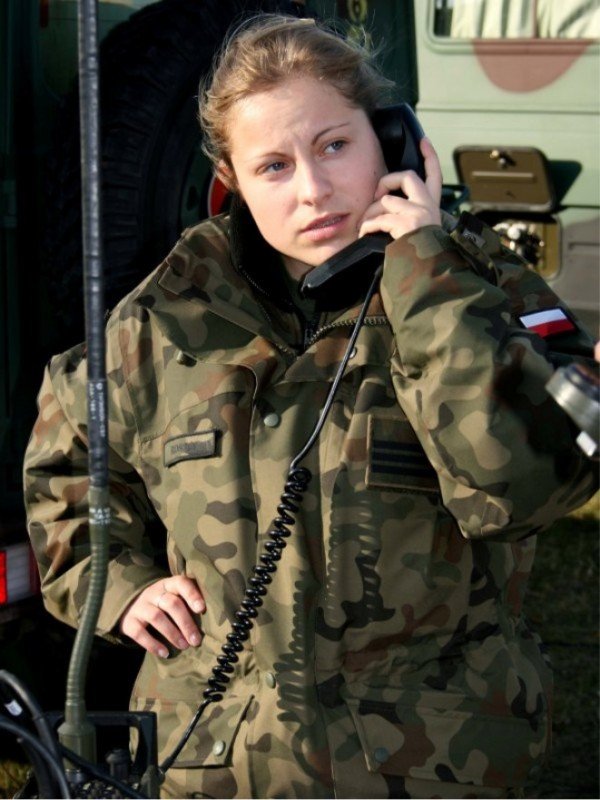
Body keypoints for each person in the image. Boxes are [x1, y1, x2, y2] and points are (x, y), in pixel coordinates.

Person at [24, 13, 597, 800]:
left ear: (393, 142)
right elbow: (67, 474)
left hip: (431, 763)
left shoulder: (479, 289)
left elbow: (520, 486)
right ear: (230, 177)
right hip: (214, 766)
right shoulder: (161, 321)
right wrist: (122, 584)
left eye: (335, 146)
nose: (314, 190)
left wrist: (426, 278)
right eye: (274, 166)